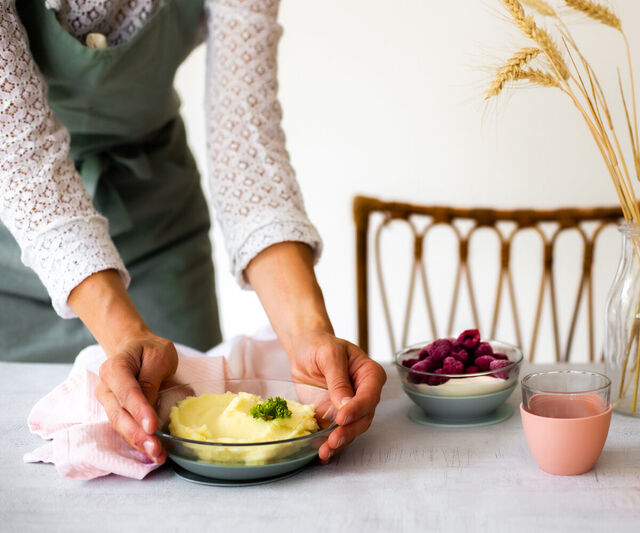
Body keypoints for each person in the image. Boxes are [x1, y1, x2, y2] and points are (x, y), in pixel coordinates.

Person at [0, 0, 385, 465]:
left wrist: (308, 331)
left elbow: (246, 140)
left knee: (184, 440)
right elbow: (21, 152)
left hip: (160, 213)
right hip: (19, 228)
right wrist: (122, 335)